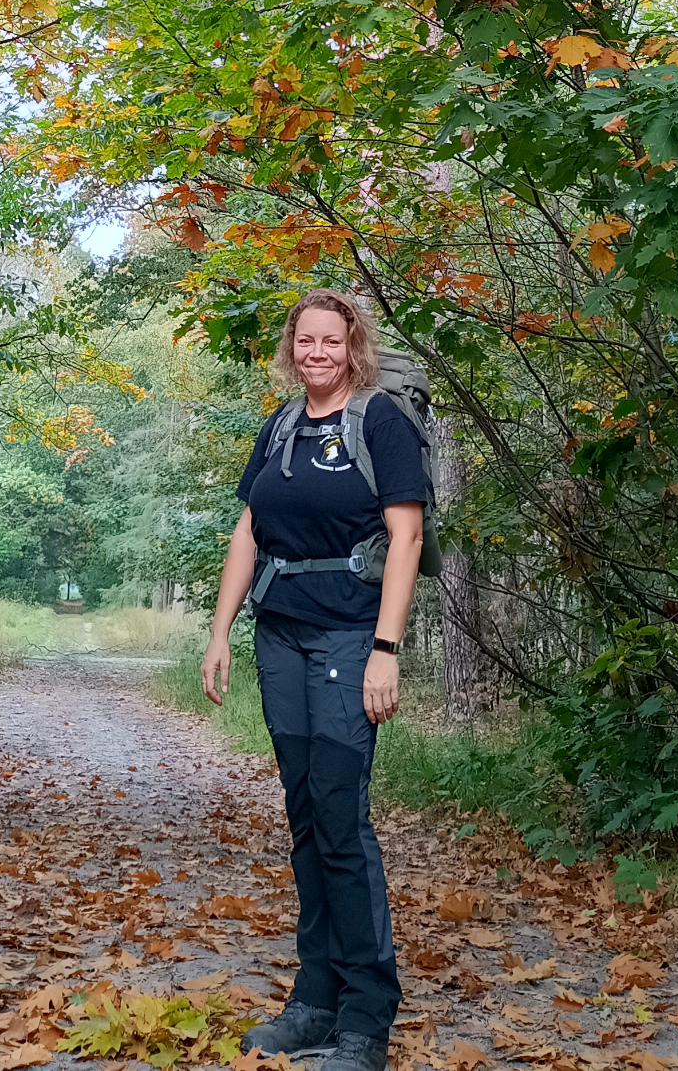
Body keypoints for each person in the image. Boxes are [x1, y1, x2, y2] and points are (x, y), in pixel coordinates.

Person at [201, 289, 425, 1071]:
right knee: (304, 815)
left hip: (348, 635)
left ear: (352, 346)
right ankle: (315, 999)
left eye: (332, 341)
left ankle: (366, 1018)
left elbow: (406, 536)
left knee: (340, 816)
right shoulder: (280, 425)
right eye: (307, 340)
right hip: (280, 634)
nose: (318, 352)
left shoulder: (380, 423)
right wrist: (221, 630)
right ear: (292, 346)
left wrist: (386, 649)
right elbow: (248, 531)